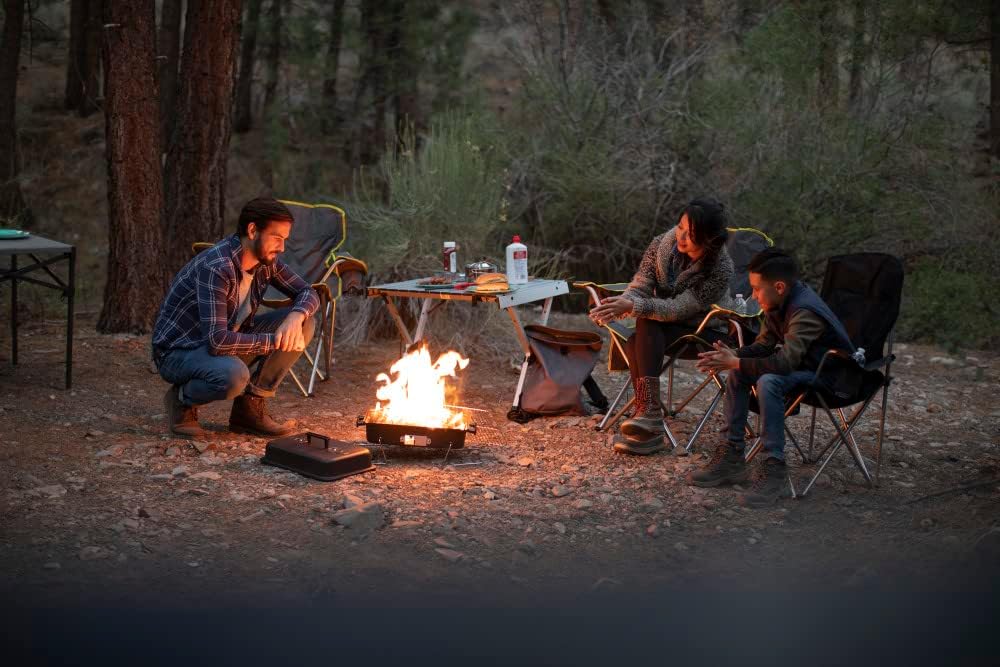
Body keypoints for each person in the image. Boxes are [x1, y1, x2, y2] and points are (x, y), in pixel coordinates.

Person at [691, 248, 858, 508]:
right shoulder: (777, 302)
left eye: (757, 289)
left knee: (768, 381)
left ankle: (774, 468)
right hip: (804, 369)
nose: (753, 296)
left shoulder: (805, 311)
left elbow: (784, 363)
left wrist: (737, 361)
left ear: (779, 286)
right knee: (739, 371)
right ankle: (732, 456)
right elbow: (764, 346)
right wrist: (734, 355)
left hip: (833, 378)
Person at [152, 197, 320, 439]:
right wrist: (274, 341)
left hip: (221, 342)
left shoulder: (265, 262)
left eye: (285, 239)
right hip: (179, 351)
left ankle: (248, 410)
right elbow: (217, 341)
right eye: (276, 237)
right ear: (252, 230)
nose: (282, 247)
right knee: (233, 376)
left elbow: (308, 292)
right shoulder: (217, 267)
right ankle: (181, 401)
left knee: (305, 323)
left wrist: (296, 315)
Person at [590, 198, 734, 456]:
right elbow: (641, 285)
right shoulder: (660, 245)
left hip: (704, 332)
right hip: (664, 327)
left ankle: (648, 418)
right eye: (680, 227)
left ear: (710, 240)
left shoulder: (720, 269)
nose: (681, 237)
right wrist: (623, 302)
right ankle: (649, 419)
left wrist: (633, 306)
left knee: (642, 329)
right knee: (643, 328)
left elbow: (679, 308)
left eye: (691, 234)